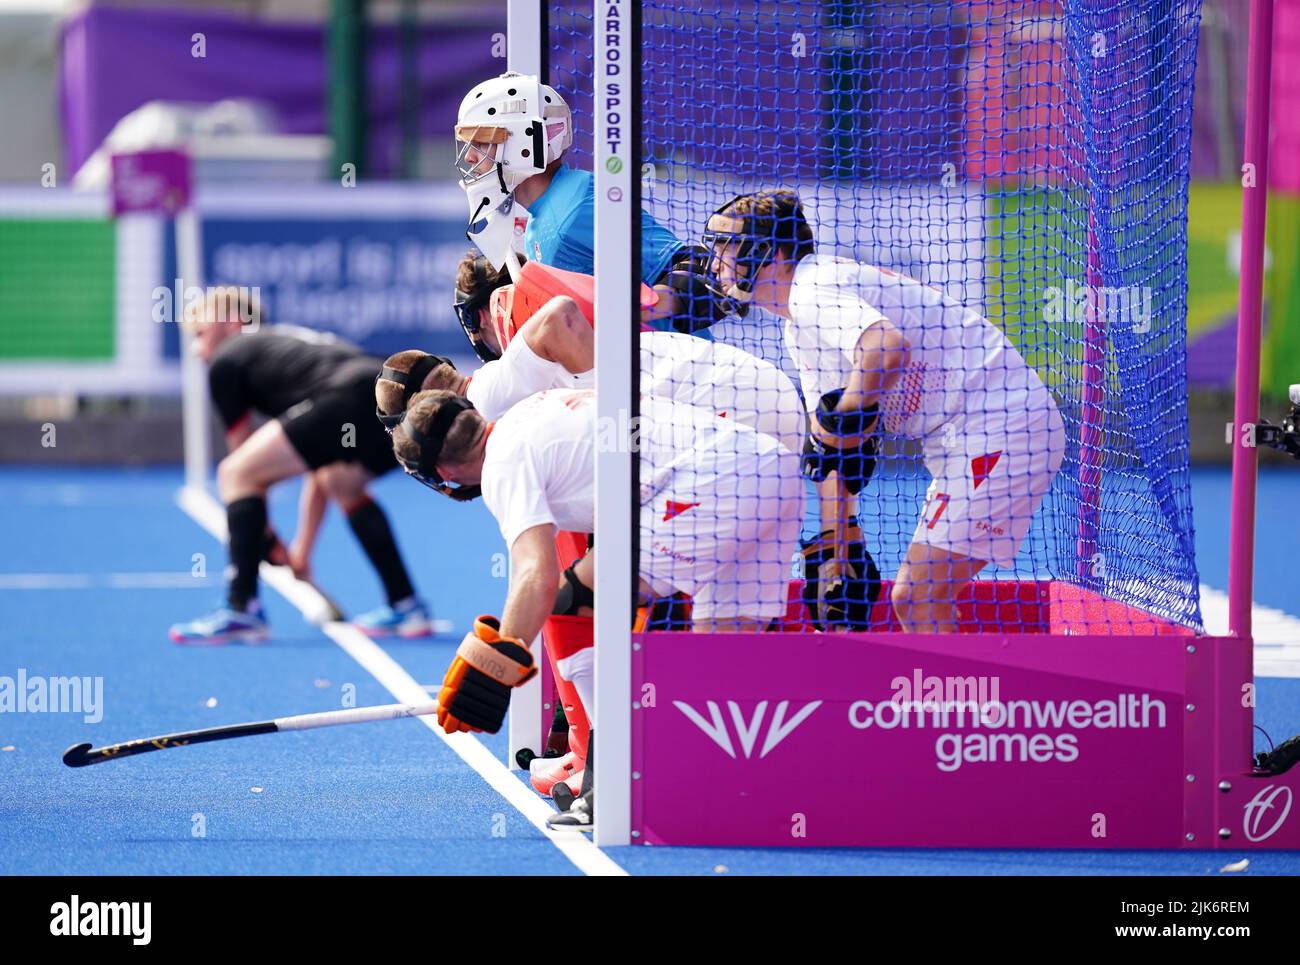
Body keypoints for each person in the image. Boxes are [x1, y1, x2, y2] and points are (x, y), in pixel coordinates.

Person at [389, 386, 803, 830]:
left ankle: (612, 779)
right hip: (770, 466)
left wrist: (494, 666)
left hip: (712, 480)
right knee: (721, 644)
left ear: (442, 470)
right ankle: (749, 785)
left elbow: (537, 576)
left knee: (574, 607)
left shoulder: (502, 465)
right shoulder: (527, 411)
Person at [701, 189, 1066, 633]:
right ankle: (962, 698)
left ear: (771, 254)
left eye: (726, 250)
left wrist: (848, 413)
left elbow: (887, 349)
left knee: (920, 595)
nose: (716, 264)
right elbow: (836, 446)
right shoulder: (798, 326)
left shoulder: (813, 290)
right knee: (919, 597)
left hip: (1003, 422)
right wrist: (839, 542)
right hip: (971, 430)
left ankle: (968, 702)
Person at [168, 288, 435, 644]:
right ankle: (407, 605)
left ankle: (240, 607)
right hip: (386, 396)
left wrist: (267, 541)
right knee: (342, 482)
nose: (195, 348)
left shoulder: (227, 359)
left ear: (233, 322)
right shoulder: (282, 354)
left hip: (343, 397)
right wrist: (301, 552)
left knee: (235, 473)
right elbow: (318, 468)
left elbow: (246, 468)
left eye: (200, 334)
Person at [453, 72, 731, 335]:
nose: (470, 157)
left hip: (669, 375)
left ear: (521, 142)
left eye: (481, 141)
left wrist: (624, 314)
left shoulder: (573, 209)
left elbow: (700, 272)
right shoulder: (545, 217)